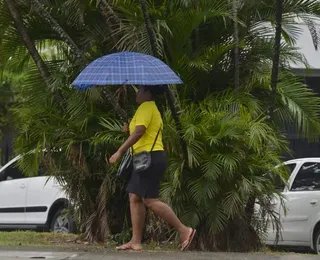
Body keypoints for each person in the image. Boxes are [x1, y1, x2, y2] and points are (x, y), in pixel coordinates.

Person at [109, 86, 196, 251]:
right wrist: (129, 129)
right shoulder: (148, 108)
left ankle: (184, 230)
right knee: (134, 197)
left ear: (148, 93)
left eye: (140, 90)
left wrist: (119, 151)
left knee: (150, 200)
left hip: (150, 158)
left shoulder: (146, 107)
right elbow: (139, 131)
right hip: (144, 159)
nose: (137, 92)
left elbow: (139, 132)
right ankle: (135, 241)